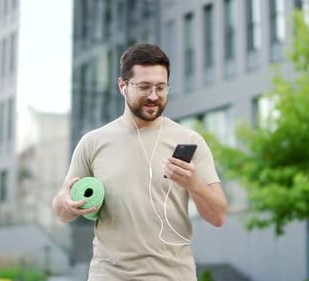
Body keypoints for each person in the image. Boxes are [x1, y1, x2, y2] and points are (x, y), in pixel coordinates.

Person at [52, 43, 227, 280]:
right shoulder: (93, 142)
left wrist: (193, 183)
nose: (153, 96)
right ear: (122, 86)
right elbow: (62, 212)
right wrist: (65, 204)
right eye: (144, 87)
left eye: (161, 87)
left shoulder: (189, 140)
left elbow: (218, 216)